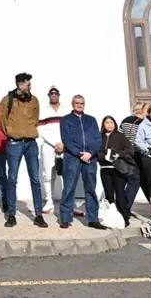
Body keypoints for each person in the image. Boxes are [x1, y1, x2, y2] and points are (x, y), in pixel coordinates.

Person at [0, 73, 48, 228]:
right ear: (19, 84)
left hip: (31, 143)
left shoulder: (34, 100)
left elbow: (35, 117)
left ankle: (38, 215)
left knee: (35, 179)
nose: (30, 86)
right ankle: (11, 214)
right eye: (27, 84)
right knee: (12, 178)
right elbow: (1, 120)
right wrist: (12, 132)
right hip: (14, 143)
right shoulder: (7, 100)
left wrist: (28, 130)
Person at [59, 95, 106, 230]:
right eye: (77, 103)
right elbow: (66, 139)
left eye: (82, 103)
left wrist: (90, 153)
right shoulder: (65, 120)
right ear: (72, 104)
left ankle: (92, 219)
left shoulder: (91, 120)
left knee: (90, 188)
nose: (79, 105)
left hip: (90, 158)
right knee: (69, 188)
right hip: (72, 157)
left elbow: (97, 139)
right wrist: (80, 154)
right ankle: (65, 218)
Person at [98, 115, 134, 227]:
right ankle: (111, 218)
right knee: (109, 195)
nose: (109, 125)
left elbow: (130, 150)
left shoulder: (120, 136)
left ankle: (125, 217)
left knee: (120, 193)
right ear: (103, 124)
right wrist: (104, 157)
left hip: (118, 169)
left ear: (115, 124)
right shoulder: (99, 137)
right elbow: (96, 152)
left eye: (111, 122)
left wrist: (118, 155)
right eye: (107, 122)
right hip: (105, 169)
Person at [37, 86, 64, 215]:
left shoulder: (66, 109)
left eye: (56, 93)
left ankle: (68, 201)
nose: (54, 95)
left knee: (67, 174)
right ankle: (49, 201)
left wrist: (63, 144)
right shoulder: (43, 110)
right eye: (51, 93)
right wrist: (54, 143)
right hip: (48, 145)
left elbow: (69, 128)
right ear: (48, 95)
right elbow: (40, 129)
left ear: (59, 95)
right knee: (48, 174)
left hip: (64, 146)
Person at [120, 102, 148, 206]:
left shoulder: (125, 121)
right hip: (137, 153)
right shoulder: (143, 123)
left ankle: (124, 205)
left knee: (128, 179)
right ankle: (126, 206)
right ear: (141, 110)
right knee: (135, 180)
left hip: (125, 154)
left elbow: (120, 136)